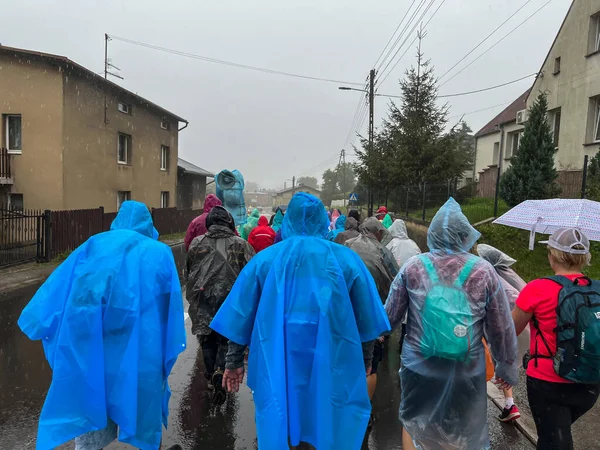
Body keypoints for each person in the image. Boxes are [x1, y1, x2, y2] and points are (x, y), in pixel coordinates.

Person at [210, 192, 391, 450]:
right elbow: (367, 320)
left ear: (288, 220)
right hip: (332, 359)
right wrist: (364, 361)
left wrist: (234, 361)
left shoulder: (265, 261)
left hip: (277, 360)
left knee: (280, 415)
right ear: (322, 220)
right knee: (327, 419)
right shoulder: (346, 261)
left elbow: (241, 315)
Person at [18, 201, 186, 450]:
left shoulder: (93, 246)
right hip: (141, 354)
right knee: (143, 411)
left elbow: (56, 294)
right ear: (148, 225)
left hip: (93, 355)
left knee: (91, 411)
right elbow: (169, 307)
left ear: (116, 221)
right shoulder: (159, 253)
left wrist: (44, 325)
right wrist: (165, 348)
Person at [384, 198, 518, 450]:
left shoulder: (414, 267)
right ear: (465, 235)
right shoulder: (483, 271)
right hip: (465, 369)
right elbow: (501, 328)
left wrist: (373, 336)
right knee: (461, 432)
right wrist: (506, 367)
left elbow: (389, 316)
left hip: (419, 367)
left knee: (413, 423)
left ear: (432, 233)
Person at [512, 228, 600, 450]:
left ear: (552, 255)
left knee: (555, 440)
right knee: (556, 432)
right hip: (590, 381)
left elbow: (509, 330)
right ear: (585, 258)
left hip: (548, 382)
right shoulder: (597, 289)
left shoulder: (537, 289)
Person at [186, 206, 255, 405]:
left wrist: (195, 295)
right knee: (226, 338)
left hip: (204, 298)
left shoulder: (197, 243)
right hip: (231, 300)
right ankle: (221, 370)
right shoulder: (241, 245)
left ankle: (210, 375)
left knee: (206, 338)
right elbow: (251, 274)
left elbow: (189, 272)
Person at [345, 218, 399, 408]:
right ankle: (364, 411)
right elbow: (395, 283)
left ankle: (345, 407)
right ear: (376, 233)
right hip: (372, 314)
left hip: (345, 314)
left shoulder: (347, 246)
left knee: (345, 360)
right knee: (371, 366)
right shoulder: (383, 252)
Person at [477, 243, 528, 422]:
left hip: (501, 329)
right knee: (505, 364)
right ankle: (509, 404)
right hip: (521, 329)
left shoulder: (489, 278)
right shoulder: (512, 277)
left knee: (488, 362)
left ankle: (476, 404)